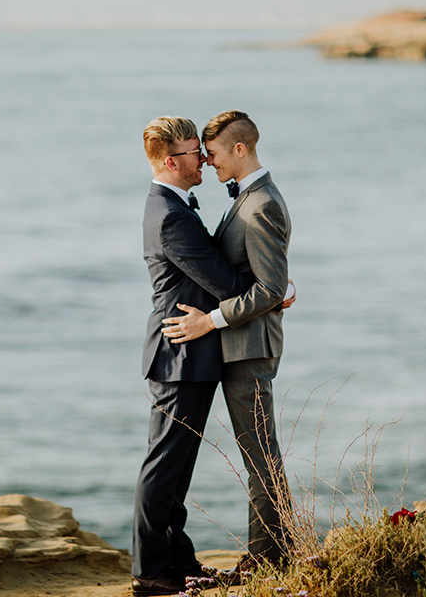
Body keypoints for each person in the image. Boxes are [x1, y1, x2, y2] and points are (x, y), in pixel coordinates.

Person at [162, 110, 293, 573]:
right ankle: (275, 552)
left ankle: (269, 559)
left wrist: (211, 320)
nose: (209, 162)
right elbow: (267, 279)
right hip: (242, 344)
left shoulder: (262, 204)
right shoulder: (249, 198)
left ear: (240, 149)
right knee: (258, 453)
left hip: (249, 346)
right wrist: (282, 288)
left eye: (213, 154)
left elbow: (269, 289)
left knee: (260, 456)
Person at [133, 116, 254, 596]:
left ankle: (179, 562)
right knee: (163, 468)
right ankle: (149, 573)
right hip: (178, 356)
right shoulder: (169, 215)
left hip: (191, 354)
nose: (202, 159)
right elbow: (222, 283)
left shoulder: (174, 205)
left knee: (177, 470)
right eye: (192, 153)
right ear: (170, 161)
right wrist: (271, 290)